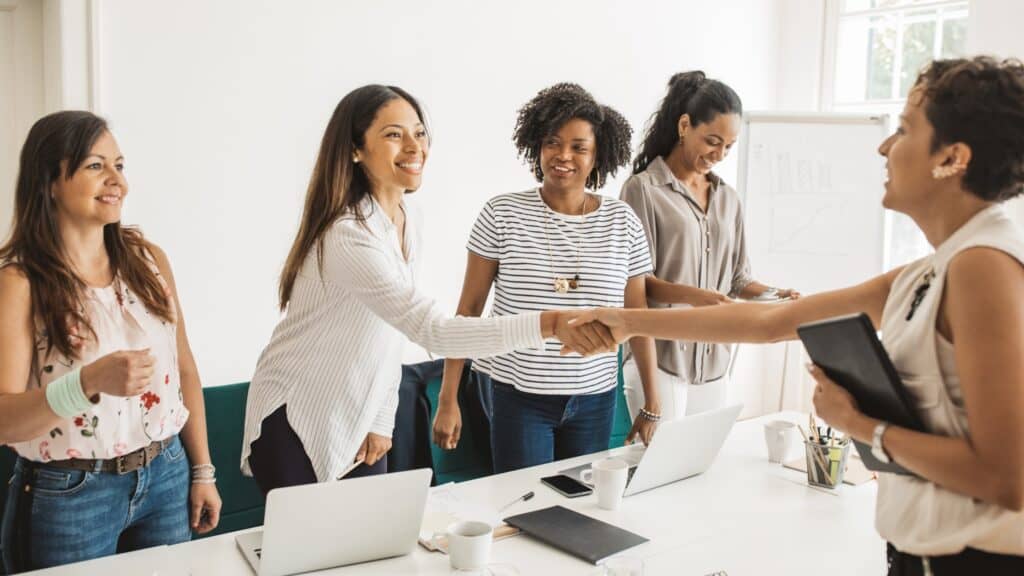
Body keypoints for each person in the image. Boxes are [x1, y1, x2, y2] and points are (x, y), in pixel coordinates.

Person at [573, 57, 1024, 574]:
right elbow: (762, 323)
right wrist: (625, 321)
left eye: (902, 130)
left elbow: (1004, 477)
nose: (883, 146)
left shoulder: (985, 267)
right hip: (918, 554)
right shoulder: (933, 270)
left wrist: (859, 425)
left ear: (952, 157)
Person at [241, 85, 611, 494]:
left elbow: (388, 333)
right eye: (393, 134)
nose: (414, 146)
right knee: (315, 554)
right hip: (297, 417)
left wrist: (381, 420)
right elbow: (430, 329)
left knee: (365, 552)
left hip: (356, 417)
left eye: (418, 133)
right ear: (355, 149)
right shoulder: (349, 235)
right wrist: (550, 323)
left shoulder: (404, 216)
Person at [0, 111, 222, 572]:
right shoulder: (20, 283)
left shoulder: (148, 260)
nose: (116, 179)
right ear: (50, 181)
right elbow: (4, 419)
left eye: (119, 165)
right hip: (70, 495)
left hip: (166, 473)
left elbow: (183, 370)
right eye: (96, 165)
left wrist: (202, 470)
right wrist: (86, 382)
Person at [431, 83, 660, 473]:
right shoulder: (502, 214)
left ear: (598, 154)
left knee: (581, 505)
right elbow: (468, 310)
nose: (563, 156)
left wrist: (652, 403)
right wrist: (448, 396)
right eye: (553, 143)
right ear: (537, 146)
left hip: (595, 396)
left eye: (578, 147)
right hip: (516, 395)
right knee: (524, 504)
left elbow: (638, 318)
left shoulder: (623, 222)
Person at [619, 71, 798, 421]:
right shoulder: (643, 190)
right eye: (712, 141)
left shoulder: (728, 199)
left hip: (715, 360)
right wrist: (698, 298)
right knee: (661, 468)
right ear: (685, 125)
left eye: (729, 147)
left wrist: (777, 296)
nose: (720, 154)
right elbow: (638, 284)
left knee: (701, 468)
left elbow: (738, 281)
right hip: (662, 359)